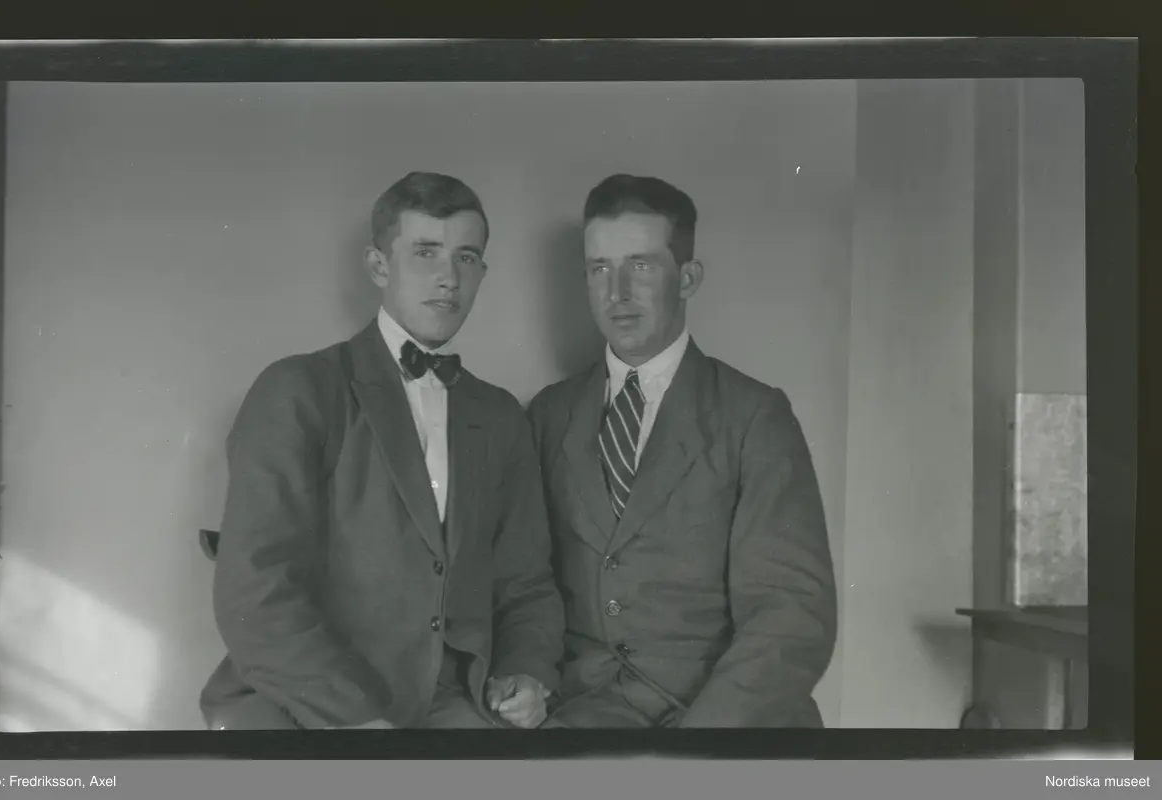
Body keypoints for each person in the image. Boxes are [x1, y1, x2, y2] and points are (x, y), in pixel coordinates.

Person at [200, 171, 563, 730]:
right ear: (378, 266)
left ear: (481, 274)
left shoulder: (499, 417)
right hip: (306, 704)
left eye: (466, 258)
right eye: (425, 252)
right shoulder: (298, 389)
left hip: (449, 701)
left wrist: (527, 671)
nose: (448, 278)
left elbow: (526, 582)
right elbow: (256, 593)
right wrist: (357, 723)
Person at [528, 174, 838, 728]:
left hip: (727, 718)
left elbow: (792, 615)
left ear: (688, 278)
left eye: (641, 266)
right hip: (588, 713)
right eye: (599, 269)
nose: (617, 292)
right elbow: (524, 587)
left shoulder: (754, 416)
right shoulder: (549, 415)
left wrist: (698, 745)